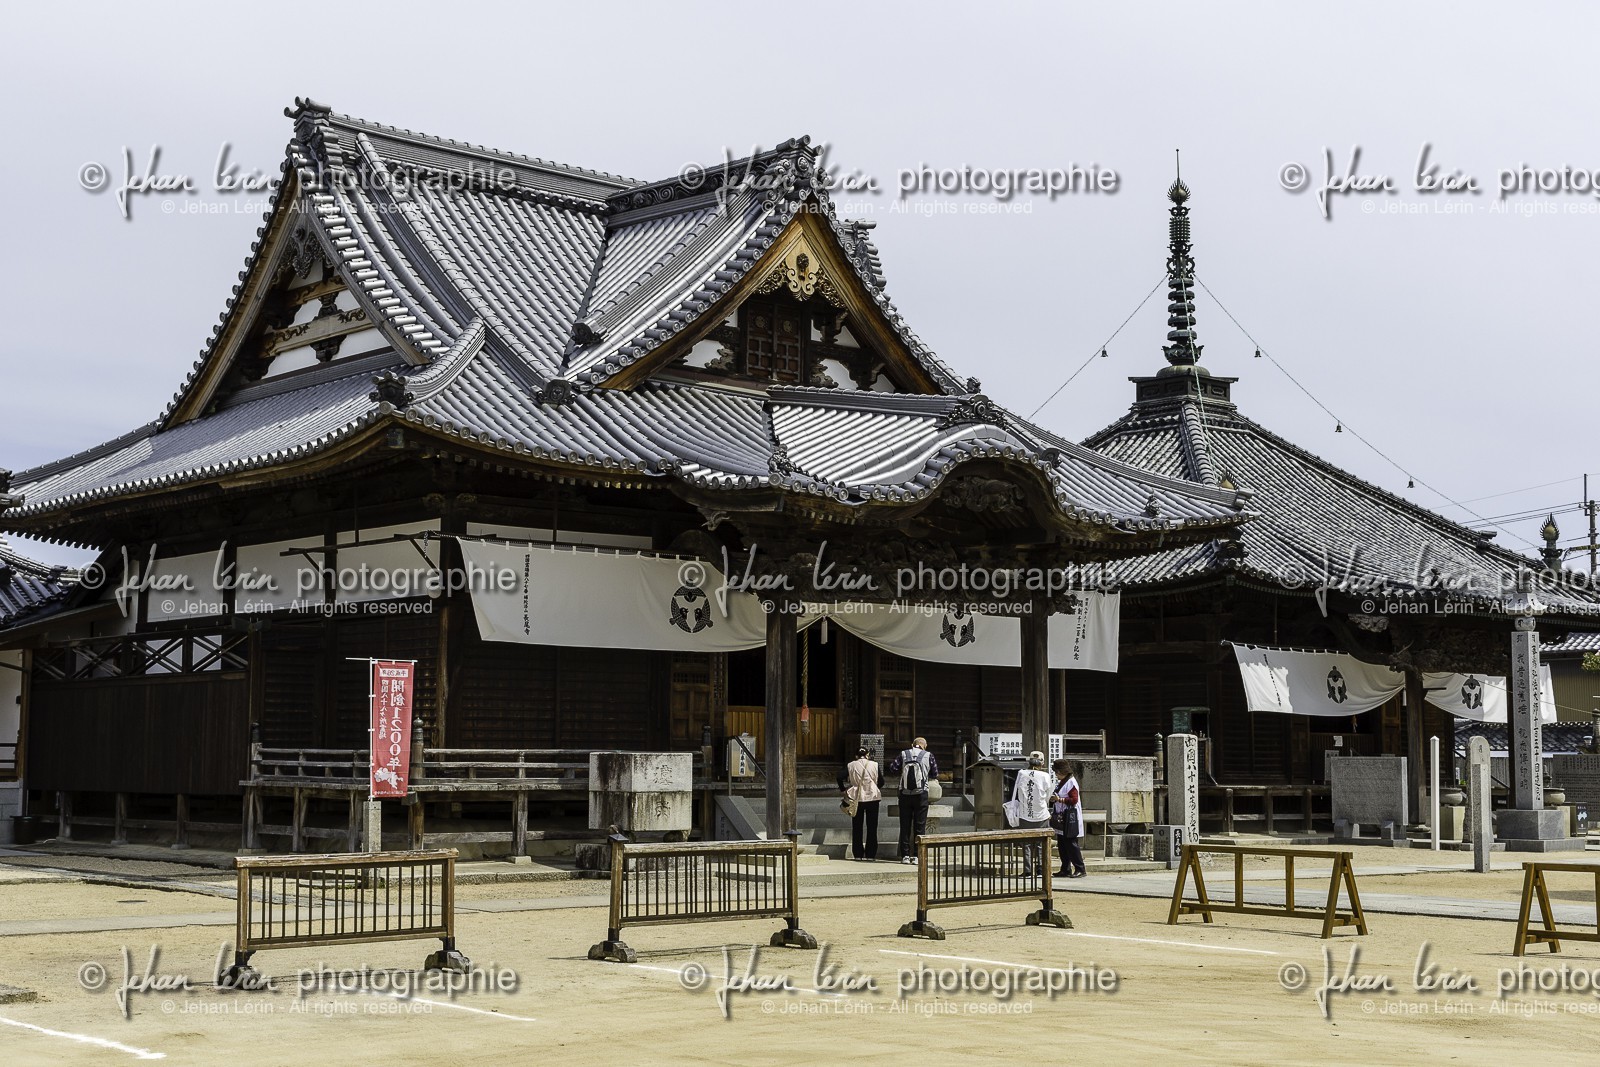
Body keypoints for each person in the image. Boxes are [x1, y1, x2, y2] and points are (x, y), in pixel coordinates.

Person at [887, 737, 938, 864]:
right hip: (921, 794)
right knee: (919, 825)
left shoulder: (904, 754)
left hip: (904, 794)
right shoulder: (928, 755)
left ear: (912, 745)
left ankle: (905, 855)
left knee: (905, 825)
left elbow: (893, 768)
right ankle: (917, 855)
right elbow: (934, 773)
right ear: (924, 746)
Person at [1011, 750, 1053, 876]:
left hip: (1025, 814)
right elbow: (1049, 793)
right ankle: (1040, 869)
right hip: (1041, 813)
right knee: (1040, 843)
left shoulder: (1021, 773)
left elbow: (1017, 791)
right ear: (1042, 762)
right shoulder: (1045, 776)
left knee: (1026, 843)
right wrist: (1043, 803)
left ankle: (1027, 870)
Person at [844, 747, 883, 860]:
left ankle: (858, 854)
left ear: (856, 756)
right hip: (873, 798)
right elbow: (882, 781)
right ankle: (871, 854)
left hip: (857, 798)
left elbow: (839, 776)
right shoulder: (874, 765)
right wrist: (875, 788)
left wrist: (844, 789)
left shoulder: (851, 765)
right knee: (872, 827)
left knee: (857, 827)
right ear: (867, 755)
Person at [1052, 758, 1087, 878]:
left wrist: (1059, 799)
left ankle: (1080, 868)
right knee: (1062, 844)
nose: (1056, 775)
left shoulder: (1071, 782)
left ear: (1063, 772)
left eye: (1057, 772)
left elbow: (1074, 799)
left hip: (1070, 818)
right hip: (1062, 818)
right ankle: (1065, 868)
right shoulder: (1062, 782)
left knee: (1071, 844)